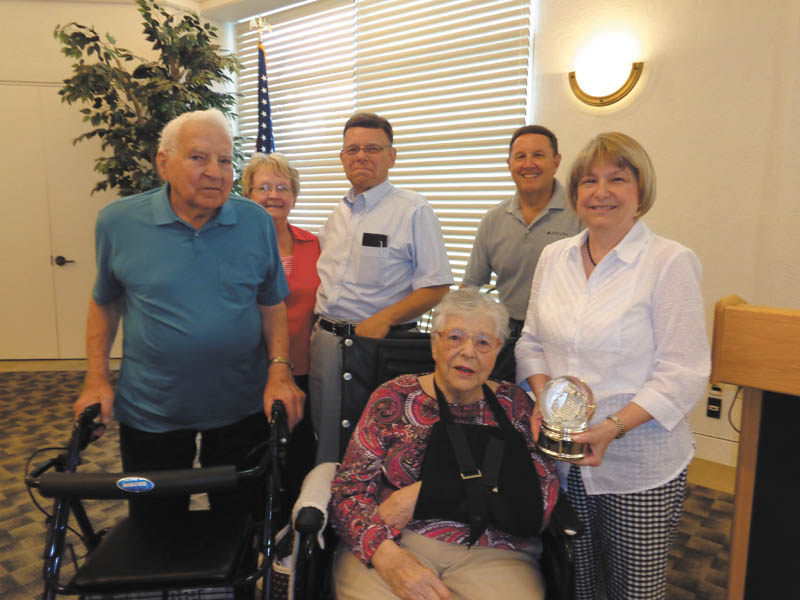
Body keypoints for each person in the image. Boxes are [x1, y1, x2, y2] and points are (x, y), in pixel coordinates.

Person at [72, 108, 304, 521]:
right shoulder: (118, 222)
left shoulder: (254, 223)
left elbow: (271, 304)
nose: (216, 172)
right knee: (156, 524)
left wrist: (280, 371)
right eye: (199, 157)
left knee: (242, 522)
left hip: (242, 405)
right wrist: (96, 378)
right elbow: (105, 301)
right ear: (164, 162)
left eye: (225, 160)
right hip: (152, 408)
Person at [516, 132, 711, 599]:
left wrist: (610, 429)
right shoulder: (554, 257)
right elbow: (532, 342)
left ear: (641, 190)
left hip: (639, 460)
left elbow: (683, 371)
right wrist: (546, 398)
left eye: (617, 179)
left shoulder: (668, 262)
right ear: (576, 192)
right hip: (563, 456)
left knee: (633, 588)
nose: (601, 192)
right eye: (589, 181)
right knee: (576, 579)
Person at [331, 289, 559, 600]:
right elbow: (348, 492)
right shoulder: (394, 397)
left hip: (496, 554)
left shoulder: (516, 406)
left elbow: (540, 505)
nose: (468, 351)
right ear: (435, 343)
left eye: (483, 342)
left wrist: (427, 493)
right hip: (397, 541)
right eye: (455, 337)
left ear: (497, 350)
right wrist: (387, 557)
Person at [311, 112, 453, 463]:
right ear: (342, 157)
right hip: (326, 342)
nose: (361, 156)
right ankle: (323, 509)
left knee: (376, 442)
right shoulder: (337, 215)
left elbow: (436, 286)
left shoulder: (413, 210)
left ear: (392, 156)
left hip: (378, 345)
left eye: (373, 148)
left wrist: (384, 320)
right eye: (352, 149)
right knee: (324, 437)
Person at [462, 125, 582, 383]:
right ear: (509, 164)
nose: (529, 164)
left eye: (538, 155)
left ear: (556, 161)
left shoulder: (580, 216)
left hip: (562, 340)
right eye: (520, 157)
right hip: (506, 337)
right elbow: (471, 285)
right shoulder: (494, 219)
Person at [242, 151, 320, 506]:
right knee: (251, 454)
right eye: (264, 187)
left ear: (294, 196)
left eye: (283, 188)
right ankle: (253, 526)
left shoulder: (314, 244)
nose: (274, 195)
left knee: (301, 454)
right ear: (247, 194)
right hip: (249, 370)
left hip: (302, 368)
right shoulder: (234, 245)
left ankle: (295, 528)